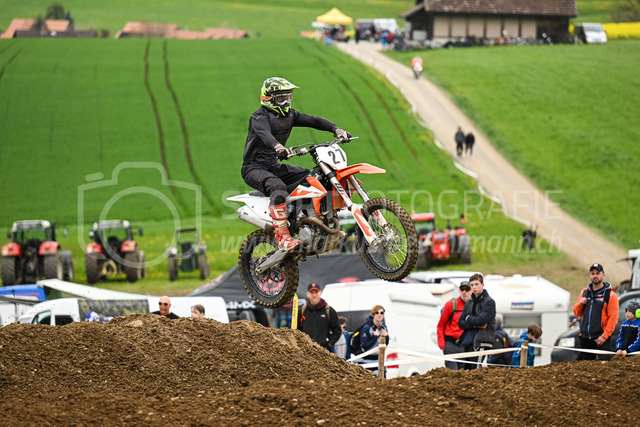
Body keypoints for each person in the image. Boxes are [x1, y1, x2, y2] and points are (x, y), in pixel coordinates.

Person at [241, 77, 350, 251]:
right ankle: (282, 237)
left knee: (312, 178)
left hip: (273, 166)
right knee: (277, 186)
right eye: (281, 98)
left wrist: (337, 129)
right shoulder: (259, 117)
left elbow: (314, 120)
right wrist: (278, 147)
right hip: (253, 168)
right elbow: (265, 134)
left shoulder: (290, 115)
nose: (286, 101)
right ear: (268, 98)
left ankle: (310, 224)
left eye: (288, 97)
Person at [573, 263, 619, 360]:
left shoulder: (610, 295)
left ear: (603, 275)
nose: (595, 276)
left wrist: (604, 336)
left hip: (601, 339)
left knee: (604, 366)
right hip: (585, 339)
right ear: (590, 275)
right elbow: (576, 313)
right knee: (587, 367)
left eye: (598, 273)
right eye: (593, 274)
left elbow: (613, 318)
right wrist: (580, 304)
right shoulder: (584, 292)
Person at [458, 273, 496, 368]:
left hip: (482, 341)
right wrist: (475, 324)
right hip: (467, 341)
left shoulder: (489, 302)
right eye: (472, 285)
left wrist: (468, 318)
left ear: (482, 285)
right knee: (465, 370)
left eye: (476, 284)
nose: (474, 287)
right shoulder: (469, 302)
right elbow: (460, 323)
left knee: (475, 370)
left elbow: (481, 321)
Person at [436, 280, 472, 370]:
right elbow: (440, 325)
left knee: (462, 374)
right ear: (459, 290)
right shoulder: (451, 304)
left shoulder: (473, 307)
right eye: (462, 289)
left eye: (467, 289)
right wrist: (442, 345)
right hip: (450, 344)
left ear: (471, 291)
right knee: (453, 373)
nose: (464, 292)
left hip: (464, 347)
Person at [297, 283, 342, 351]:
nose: (314, 295)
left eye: (316, 292)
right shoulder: (301, 311)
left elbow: (337, 331)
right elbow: (296, 331)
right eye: (312, 292)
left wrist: (328, 345)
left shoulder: (329, 311)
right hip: (305, 351)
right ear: (307, 293)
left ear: (320, 292)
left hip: (322, 351)